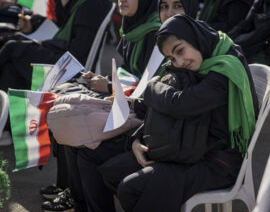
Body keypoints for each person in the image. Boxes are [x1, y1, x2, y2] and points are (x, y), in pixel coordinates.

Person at [98, 14, 259, 212]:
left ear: (194, 37)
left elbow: (180, 105)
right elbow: (161, 109)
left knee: (131, 189)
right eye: (172, 58)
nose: (180, 61)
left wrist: (150, 87)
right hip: (190, 145)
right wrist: (137, 139)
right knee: (111, 171)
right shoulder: (204, 56)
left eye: (180, 50)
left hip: (217, 162)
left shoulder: (225, 68)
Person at [46, 0, 162, 211]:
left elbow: (151, 87)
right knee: (69, 124)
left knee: (84, 141)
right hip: (125, 106)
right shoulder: (132, 31)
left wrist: (109, 87)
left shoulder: (154, 36)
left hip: (142, 118)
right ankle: (77, 200)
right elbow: (130, 75)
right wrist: (104, 81)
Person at [0, 0, 112, 92]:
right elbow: (58, 26)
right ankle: (8, 109)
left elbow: (78, 51)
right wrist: (31, 28)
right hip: (63, 56)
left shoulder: (93, 4)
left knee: (12, 47)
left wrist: (45, 43)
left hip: (70, 66)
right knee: (10, 69)